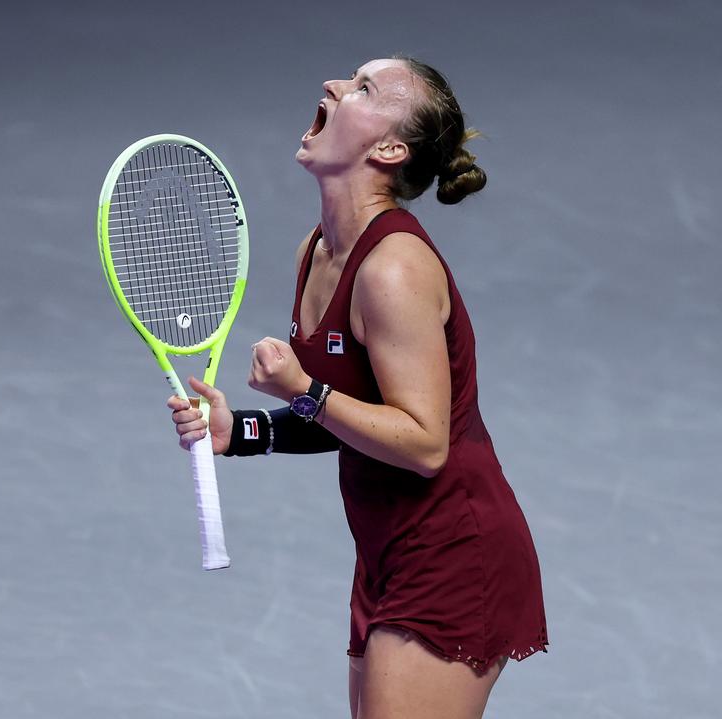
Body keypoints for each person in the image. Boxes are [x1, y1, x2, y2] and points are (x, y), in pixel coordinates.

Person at [167, 56, 548, 719]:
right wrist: (245, 431)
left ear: (389, 148)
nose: (333, 87)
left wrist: (304, 387)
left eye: (364, 88)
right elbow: (358, 418)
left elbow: (424, 443)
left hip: (455, 554)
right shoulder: (316, 251)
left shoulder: (392, 270)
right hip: (386, 554)